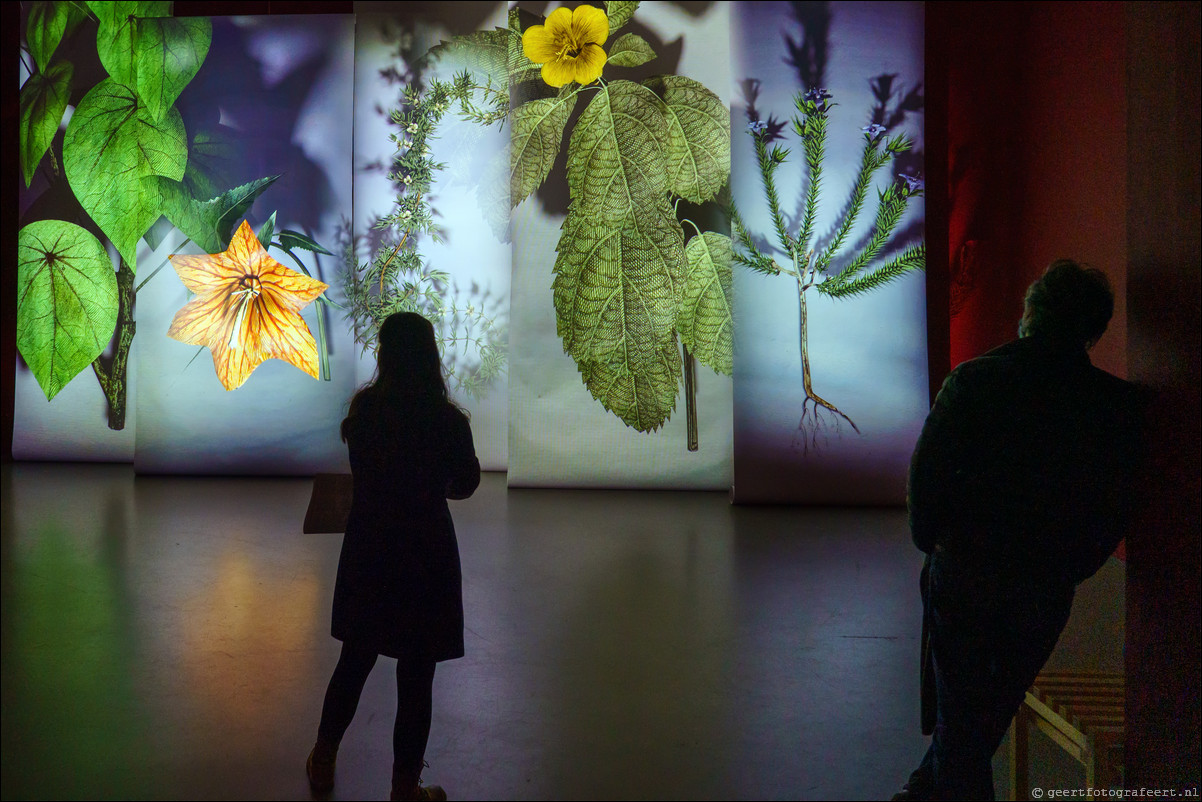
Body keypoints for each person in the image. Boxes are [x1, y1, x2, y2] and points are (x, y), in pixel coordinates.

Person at [894, 260, 1144, 800]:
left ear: (1030, 312)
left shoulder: (975, 380)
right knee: (978, 723)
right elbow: (1116, 507)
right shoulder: (1117, 408)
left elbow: (926, 477)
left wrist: (935, 544)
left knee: (964, 726)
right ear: (1093, 331)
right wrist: (1068, 568)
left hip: (964, 576)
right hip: (1042, 590)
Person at [306, 312, 480, 801]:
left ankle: (322, 759)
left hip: (370, 550)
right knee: (417, 674)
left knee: (355, 659)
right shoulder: (448, 422)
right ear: (431, 357)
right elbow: (464, 483)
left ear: (383, 356)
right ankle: (405, 789)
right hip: (426, 556)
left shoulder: (364, 415)